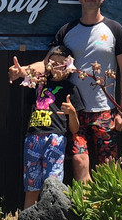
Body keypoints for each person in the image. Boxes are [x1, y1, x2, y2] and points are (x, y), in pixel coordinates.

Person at [8, 0, 122, 182]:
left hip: (106, 112)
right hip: (73, 111)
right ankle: (85, 209)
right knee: (79, 162)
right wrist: (23, 71)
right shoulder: (67, 31)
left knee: (108, 167)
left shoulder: (115, 30)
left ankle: (107, 212)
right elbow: (47, 64)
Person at [12, 44, 81, 208]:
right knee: (31, 186)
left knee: (52, 185)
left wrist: (72, 112)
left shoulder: (70, 88)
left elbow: (75, 129)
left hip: (56, 138)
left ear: (69, 66)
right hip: (33, 137)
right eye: (53, 63)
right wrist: (23, 74)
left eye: (62, 64)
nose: (57, 67)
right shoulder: (39, 83)